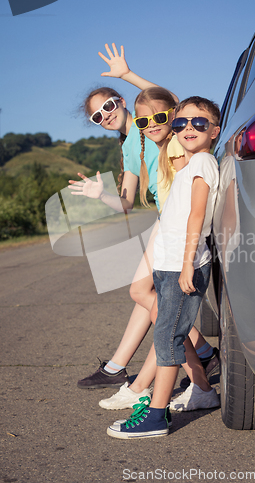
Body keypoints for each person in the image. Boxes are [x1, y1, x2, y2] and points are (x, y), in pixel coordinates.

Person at [69, 44, 219, 397]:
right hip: (166, 220)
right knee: (147, 296)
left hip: (178, 220)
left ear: (120, 100)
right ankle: (134, 369)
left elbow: (172, 105)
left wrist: (128, 75)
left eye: (107, 106)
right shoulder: (128, 147)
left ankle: (195, 359)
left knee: (143, 292)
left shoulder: (166, 130)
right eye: (96, 116)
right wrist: (99, 195)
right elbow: (124, 203)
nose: (105, 115)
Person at [107, 95, 221, 439]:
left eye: (199, 123)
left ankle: (157, 416)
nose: (189, 128)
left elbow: (197, 218)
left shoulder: (202, 163)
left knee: (168, 340)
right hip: (170, 264)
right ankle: (197, 393)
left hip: (181, 266)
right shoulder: (190, 164)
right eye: (182, 122)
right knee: (167, 336)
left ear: (214, 131)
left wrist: (187, 265)